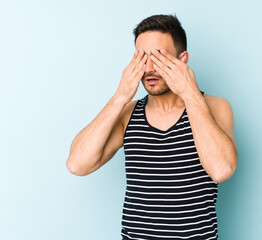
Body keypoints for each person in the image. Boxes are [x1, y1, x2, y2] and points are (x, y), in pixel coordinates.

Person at [66, 14, 238, 240]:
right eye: (141, 57)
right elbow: (77, 164)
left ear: (182, 59)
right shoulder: (128, 113)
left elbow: (221, 170)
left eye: (159, 57)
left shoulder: (215, 106)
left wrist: (190, 93)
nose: (148, 68)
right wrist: (120, 97)